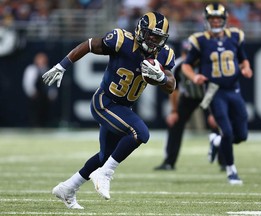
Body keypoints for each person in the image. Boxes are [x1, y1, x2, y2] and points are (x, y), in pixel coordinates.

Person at [42, 11, 176, 209]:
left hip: (123, 107)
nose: (154, 42)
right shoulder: (122, 40)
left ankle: (67, 188)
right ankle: (105, 173)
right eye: (151, 35)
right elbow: (89, 44)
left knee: (105, 156)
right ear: (140, 30)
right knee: (140, 133)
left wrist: (162, 78)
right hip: (104, 102)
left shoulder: (164, 55)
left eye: (159, 38)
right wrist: (62, 66)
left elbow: (172, 85)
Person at [182, 3, 253, 185]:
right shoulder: (200, 40)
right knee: (227, 132)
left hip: (234, 89)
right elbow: (186, 64)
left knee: (242, 135)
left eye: (218, 19)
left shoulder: (235, 36)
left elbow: (243, 59)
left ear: (224, 20)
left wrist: (246, 68)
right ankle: (231, 171)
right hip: (215, 92)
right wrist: (194, 76)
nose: (215, 22)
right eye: (212, 19)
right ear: (207, 20)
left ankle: (216, 140)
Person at [154, 40, 209, 170]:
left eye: (190, 53)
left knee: (220, 122)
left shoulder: (206, 65)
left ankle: (225, 162)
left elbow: (214, 86)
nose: (186, 56)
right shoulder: (179, 66)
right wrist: (174, 111)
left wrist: (215, 112)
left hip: (209, 96)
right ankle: (169, 162)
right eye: (185, 53)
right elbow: (174, 91)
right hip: (189, 97)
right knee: (175, 124)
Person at [22, 52, 57, 127]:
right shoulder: (32, 69)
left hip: (45, 96)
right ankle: (35, 125)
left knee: (45, 112)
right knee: (35, 112)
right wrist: (32, 92)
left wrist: (51, 93)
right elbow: (28, 82)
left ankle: (44, 125)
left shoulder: (47, 69)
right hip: (36, 96)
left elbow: (51, 83)